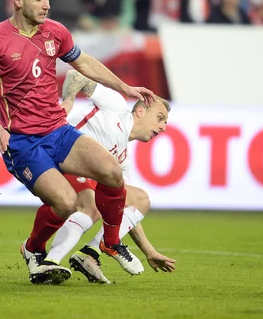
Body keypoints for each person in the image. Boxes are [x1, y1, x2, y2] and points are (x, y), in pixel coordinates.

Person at [0, 0, 156, 285]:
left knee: (111, 172)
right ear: (17, 1)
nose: (46, 5)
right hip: (23, 142)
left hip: (59, 131)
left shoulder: (56, 32)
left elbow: (85, 64)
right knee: (66, 203)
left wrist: (124, 86)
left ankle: (109, 242)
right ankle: (33, 249)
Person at [43, 70, 176, 283]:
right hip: (56, 156)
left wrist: (148, 251)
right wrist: (67, 103)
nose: (163, 127)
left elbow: (120, 211)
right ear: (140, 111)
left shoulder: (122, 159)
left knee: (139, 199)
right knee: (92, 206)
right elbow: (76, 75)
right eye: (160, 118)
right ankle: (49, 262)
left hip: (76, 174)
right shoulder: (116, 106)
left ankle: (90, 254)